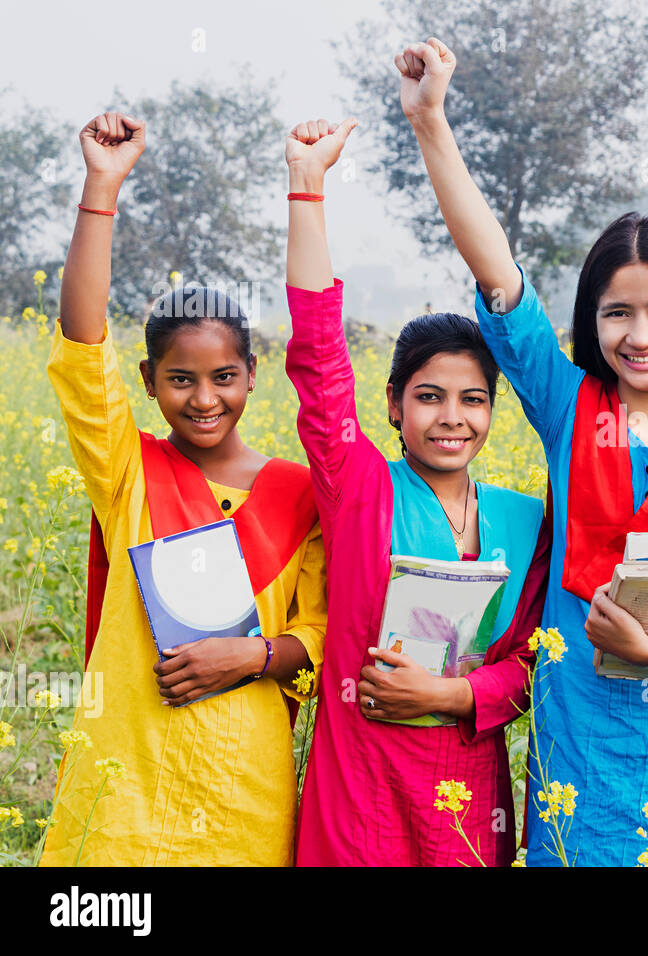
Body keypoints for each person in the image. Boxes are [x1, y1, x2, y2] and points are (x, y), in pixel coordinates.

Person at [396, 37, 648, 866]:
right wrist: (431, 121)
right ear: (591, 322)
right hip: (578, 763)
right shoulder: (569, 407)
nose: (640, 334)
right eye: (616, 313)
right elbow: (500, 279)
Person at [40, 112, 326, 866]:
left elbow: (324, 632)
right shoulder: (126, 470)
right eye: (181, 380)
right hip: (123, 781)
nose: (205, 399)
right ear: (148, 383)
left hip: (243, 791)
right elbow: (81, 343)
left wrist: (254, 657)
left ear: (253, 376)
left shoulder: (300, 494)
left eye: (224, 378)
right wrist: (102, 188)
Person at [280, 119, 549, 866]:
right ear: (394, 404)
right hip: (360, 789)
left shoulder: (525, 522)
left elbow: (534, 661)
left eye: (472, 399)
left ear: (494, 410)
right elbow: (318, 360)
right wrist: (308, 186)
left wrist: (455, 697)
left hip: (467, 796)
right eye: (430, 397)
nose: (452, 418)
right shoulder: (359, 489)